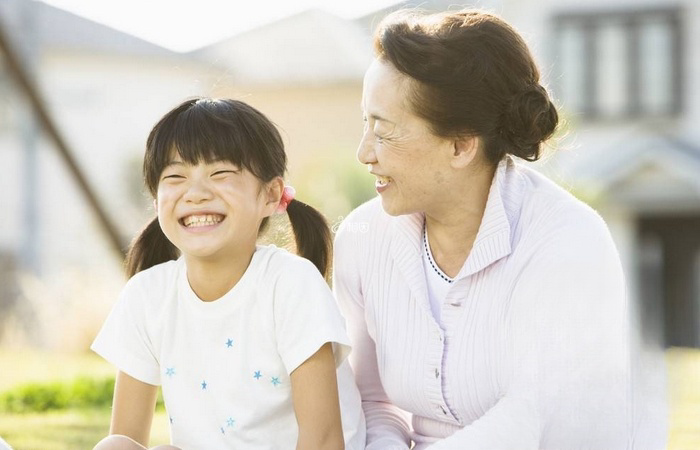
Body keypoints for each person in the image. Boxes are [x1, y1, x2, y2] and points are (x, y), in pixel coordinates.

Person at [333, 9, 647, 450]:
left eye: (383, 131)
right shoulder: (363, 238)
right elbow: (373, 401)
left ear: (461, 145)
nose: (365, 152)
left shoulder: (568, 243)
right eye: (365, 124)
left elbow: (533, 418)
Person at [92, 98, 365, 450]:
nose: (196, 194)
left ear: (270, 194)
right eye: (175, 177)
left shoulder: (291, 284)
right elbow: (128, 436)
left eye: (220, 174)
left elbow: (324, 439)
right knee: (114, 446)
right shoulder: (147, 294)